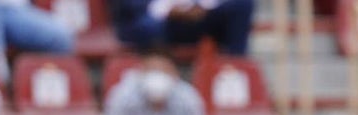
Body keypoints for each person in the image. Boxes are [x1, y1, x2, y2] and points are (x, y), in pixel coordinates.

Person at [109, 0, 256, 56]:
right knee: (146, 27)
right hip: (159, 19)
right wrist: (168, 10)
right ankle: (155, 69)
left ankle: (236, 66)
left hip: (201, 16)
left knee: (242, 4)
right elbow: (129, 6)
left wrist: (203, 6)